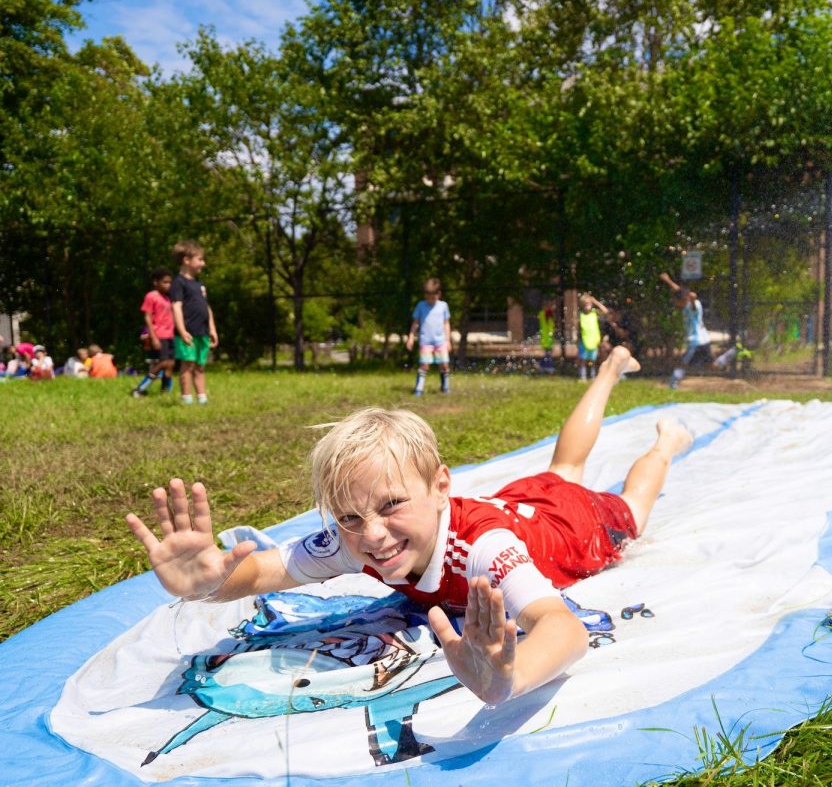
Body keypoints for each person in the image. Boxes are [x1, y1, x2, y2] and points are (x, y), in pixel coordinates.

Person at [125, 346, 691, 705]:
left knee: (628, 505)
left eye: (392, 504)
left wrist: (507, 682)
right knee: (561, 467)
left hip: (572, 528)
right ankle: (611, 369)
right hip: (520, 503)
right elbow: (264, 572)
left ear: (441, 486)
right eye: (349, 516)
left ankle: (664, 442)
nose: (372, 535)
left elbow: (562, 629)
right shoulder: (359, 536)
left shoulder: (484, 551)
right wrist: (208, 586)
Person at [169, 241, 218, 405]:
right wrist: (182, 330)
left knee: (200, 365)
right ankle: (187, 399)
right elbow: (176, 307)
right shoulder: (178, 283)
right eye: (200, 259)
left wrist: (212, 329)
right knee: (187, 365)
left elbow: (206, 307)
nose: (203, 263)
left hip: (202, 331)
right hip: (188, 332)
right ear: (187, 260)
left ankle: (202, 398)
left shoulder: (199, 284)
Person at [658, 272, 712, 390]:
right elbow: (680, 291)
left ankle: (673, 383)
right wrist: (668, 281)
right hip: (703, 341)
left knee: (682, 363)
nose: (675, 303)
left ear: (683, 300)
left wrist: (693, 298)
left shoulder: (693, 306)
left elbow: (692, 303)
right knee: (707, 365)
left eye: (676, 301)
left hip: (697, 342)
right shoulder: (685, 301)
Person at [133, 269, 176, 397]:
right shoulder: (151, 296)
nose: (168, 285)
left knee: (170, 365)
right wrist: (153, 336)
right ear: (155, 282)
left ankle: (165, 392)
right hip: (159, 334)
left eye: (170, 282)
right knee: (163, 363)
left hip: (170, 335)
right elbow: (147, 317)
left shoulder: (169, 298)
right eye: (165, 282)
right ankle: (140, 388)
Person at [405, 278, 452, 396]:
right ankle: (419, 389)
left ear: (438, 294)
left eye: (433, 296)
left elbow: (446, 324)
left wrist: (448, 340)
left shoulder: (443, 306)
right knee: (424, 365)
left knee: (444, 365)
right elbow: (415, 323)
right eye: (428, 296)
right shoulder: (421, 306)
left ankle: (445, 386)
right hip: (426, 342)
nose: (430, 300)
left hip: (440, 342)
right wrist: (411, 336)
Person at [576, 294, 607, 381]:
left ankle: (593, 376)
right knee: (583, 360)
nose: (587, 306)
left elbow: (606, 312)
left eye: (589, 304)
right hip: (584, 340)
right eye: (585, 304)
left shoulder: (595, 313)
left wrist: (596, 302)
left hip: (594, 341)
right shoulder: (580, 315)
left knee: (593, 360)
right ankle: (583, 376)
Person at [537, 297, 557, 374]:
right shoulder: (547, 313)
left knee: (547, 353)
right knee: (548, 354)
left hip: (546, 337)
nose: (554, 307)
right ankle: (549, 368)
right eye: (552, 306)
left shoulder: (544, 313)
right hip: (547, 338)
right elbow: (550, 325)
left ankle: (542, 366)